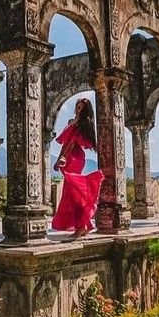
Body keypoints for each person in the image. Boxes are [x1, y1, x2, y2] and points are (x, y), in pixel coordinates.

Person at [51, 98, 104, 237]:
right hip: (68, 156)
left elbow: (72, 143)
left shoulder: (82, 124)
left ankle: (82, 226)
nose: (78, 109)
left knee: (73, 192)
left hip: (75, 158)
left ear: (85, 111)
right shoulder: (71, 122)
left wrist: (62, 158)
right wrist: (60, 158)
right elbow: (66, 143)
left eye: (81, 108)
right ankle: (86, 224)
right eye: (77, 106)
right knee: (72, 192)